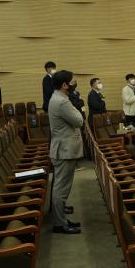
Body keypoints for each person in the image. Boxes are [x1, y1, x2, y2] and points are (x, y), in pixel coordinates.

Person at [48, 70, 84, 234]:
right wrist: (78, 111)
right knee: (61, 189)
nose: (74, 84)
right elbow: (79, 120)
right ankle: (59, 224)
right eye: (72, 81)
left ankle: (61, 219)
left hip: (63, 148)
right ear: (64, 85)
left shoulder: (59, 97)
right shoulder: (62, 102)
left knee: (61, 187)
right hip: (64, 150)